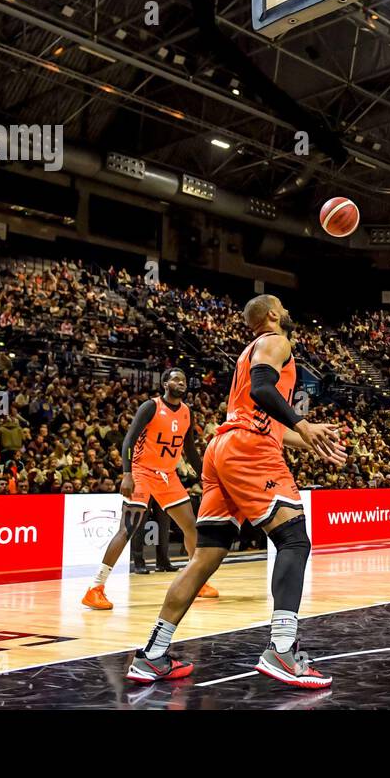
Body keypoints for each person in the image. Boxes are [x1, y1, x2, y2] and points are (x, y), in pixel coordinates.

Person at [128, 295, 345, 688]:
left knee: (203, 558)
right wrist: (302, 423)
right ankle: (282, 649)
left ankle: (152, 655)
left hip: (223, 448)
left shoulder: (251, 350)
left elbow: (262, 415)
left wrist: (307, 438)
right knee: (294, 540)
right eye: (284, 306)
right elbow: (263, 391)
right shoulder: (276, 341)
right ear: (274, 314)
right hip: (248, 449)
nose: (288, 311)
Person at [83, 368, 218, 611]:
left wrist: (205, 475)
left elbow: (189, 450)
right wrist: (127, 474)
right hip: (142, 472)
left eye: (183, 380)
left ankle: (196, 581)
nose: (181, 383)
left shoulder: (187, 412)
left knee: (191, 525)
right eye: (175, 379)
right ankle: (95, 588)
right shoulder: (150, 407)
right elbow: (129, 440)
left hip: (168, 475)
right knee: (127, 529)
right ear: (165, 383)